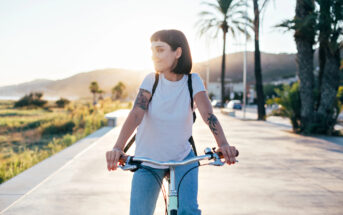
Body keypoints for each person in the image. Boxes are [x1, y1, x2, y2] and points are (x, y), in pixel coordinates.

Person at [106, 29, 237, 215]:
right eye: (152, 51)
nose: (154, 56)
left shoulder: (193, 81)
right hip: (148, 160)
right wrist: (118, 148)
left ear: (178, 52)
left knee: (188, 210)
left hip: (183, 158)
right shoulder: (152, 80)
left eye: (160, 50)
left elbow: (208, 114)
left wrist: (223, 144)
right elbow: (136, 113)